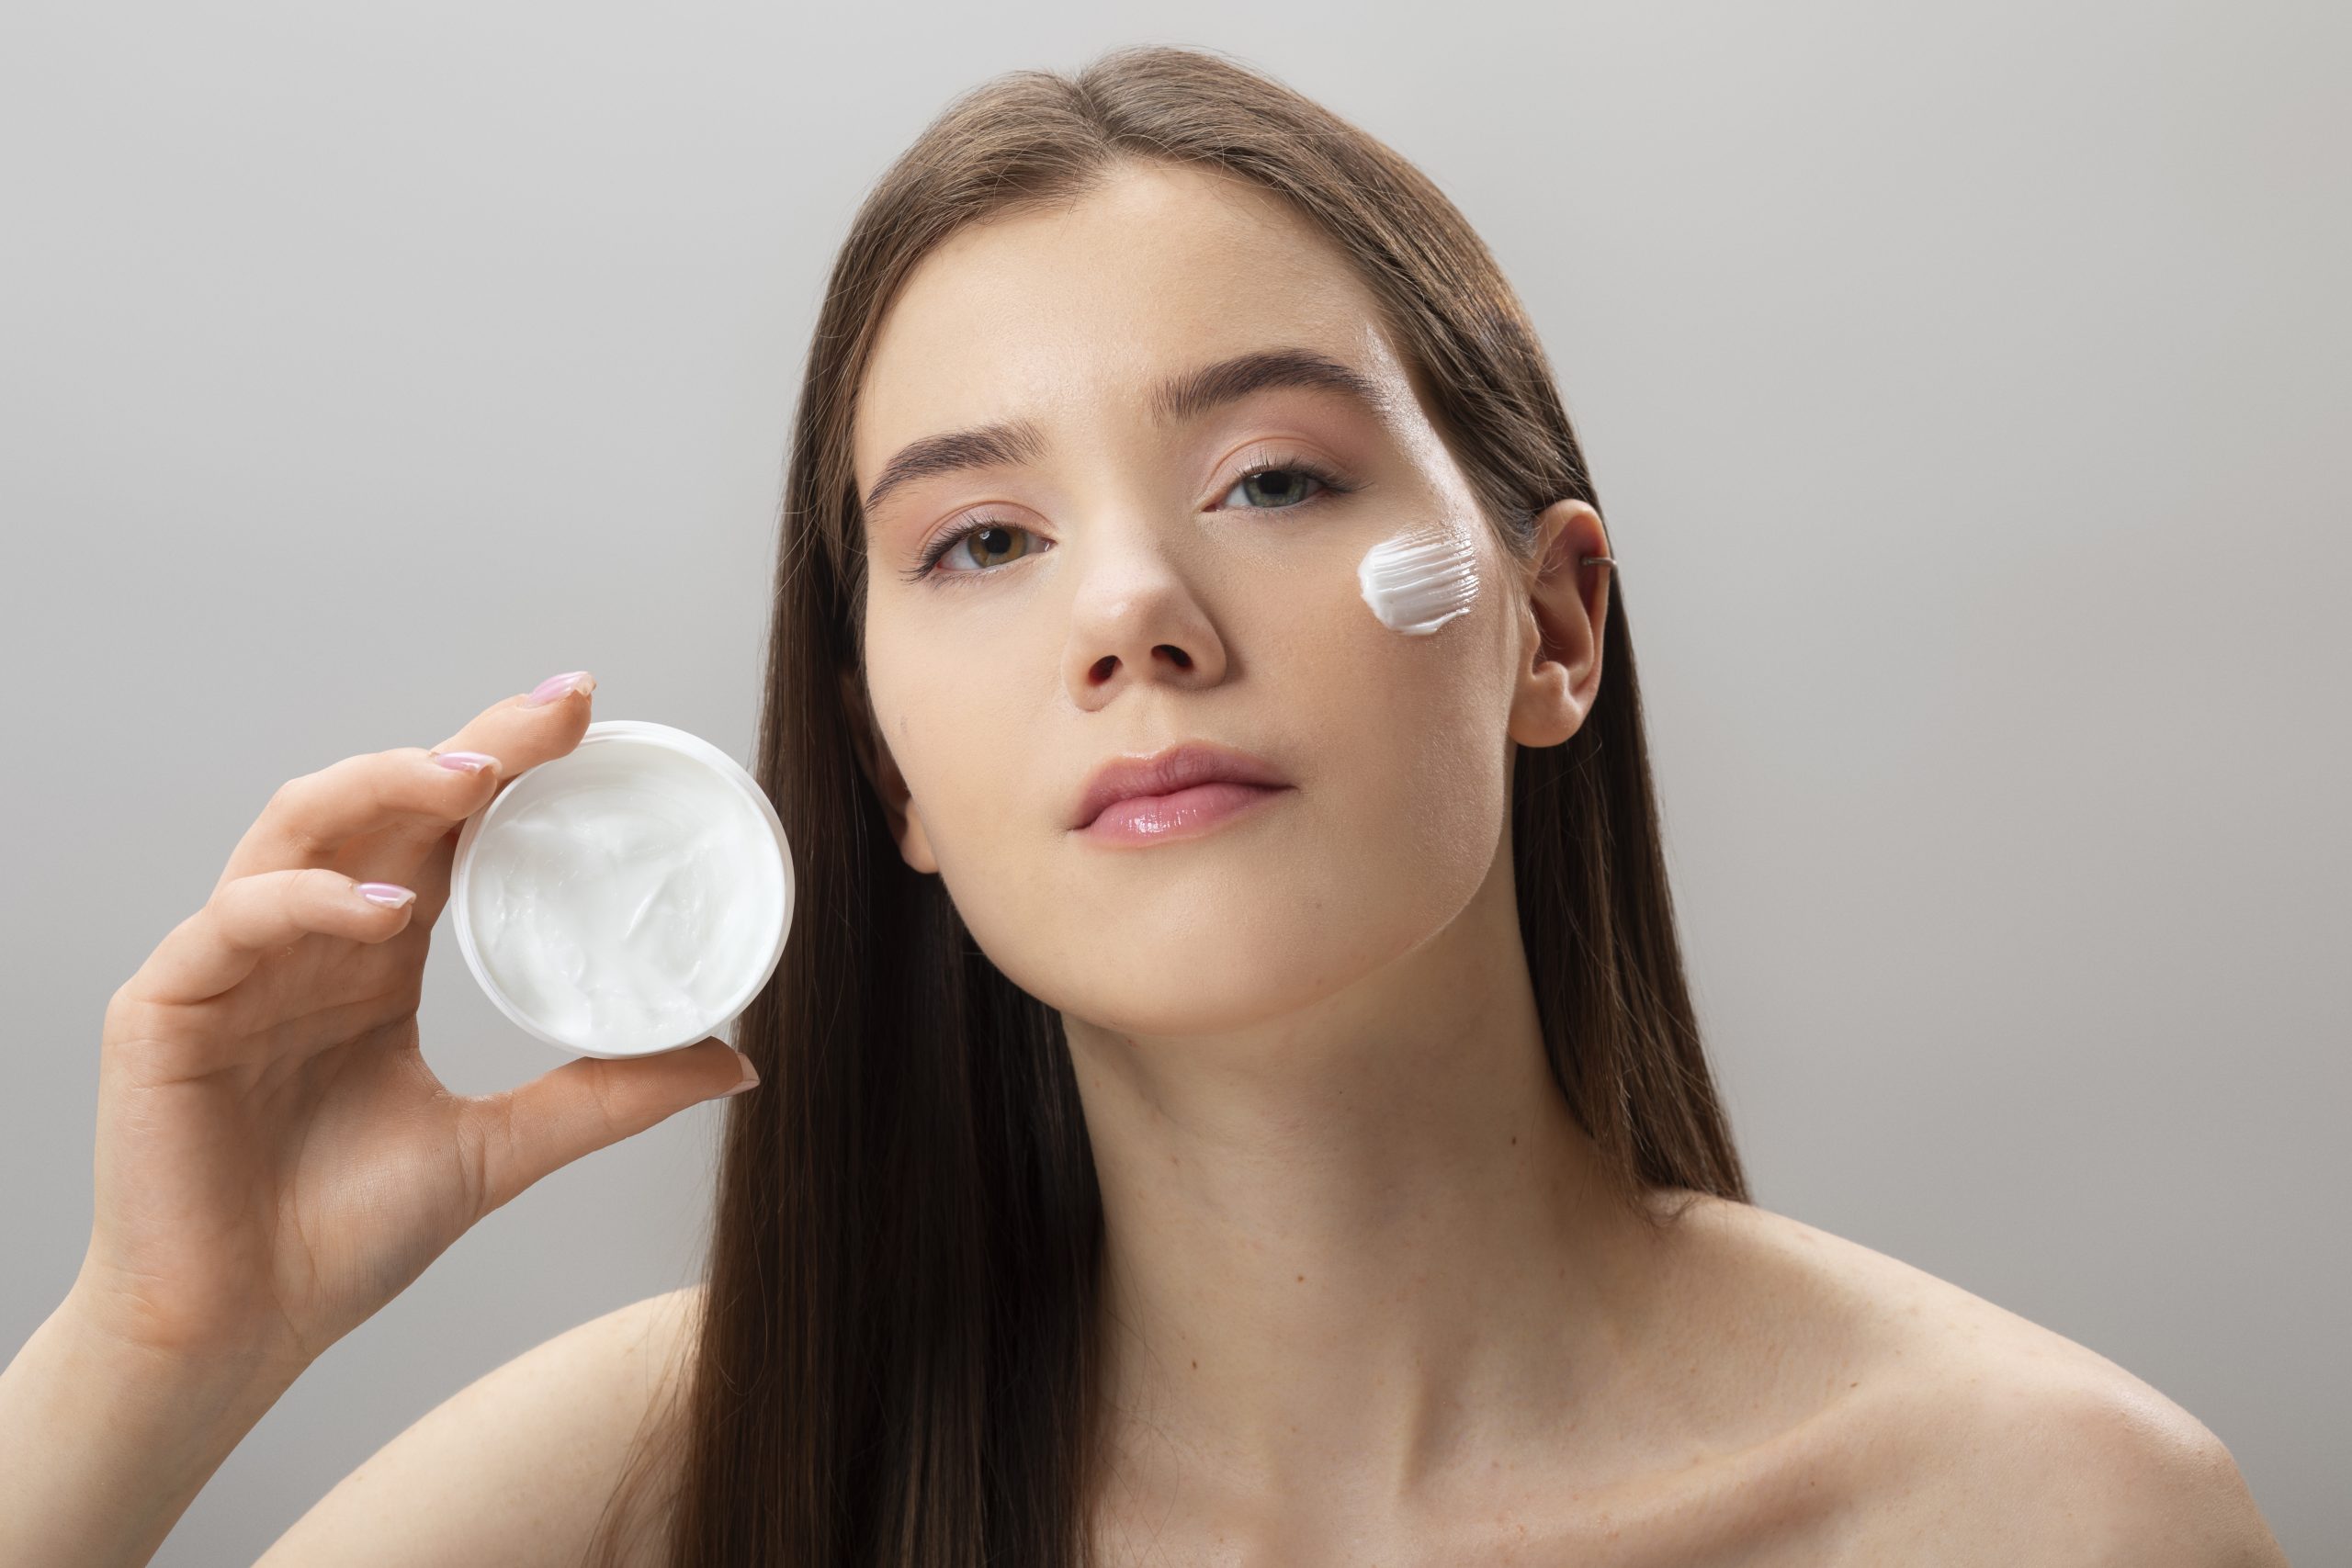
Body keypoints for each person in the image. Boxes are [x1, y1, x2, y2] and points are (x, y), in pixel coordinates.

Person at [0, 43, 2288, 1568]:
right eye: (978, 540)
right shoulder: (649, 1492)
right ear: (886, 761)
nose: (1132, 613)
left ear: (1551, 626)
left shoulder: (2044, 1511)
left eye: (1270, 476)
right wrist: (160, 1342)